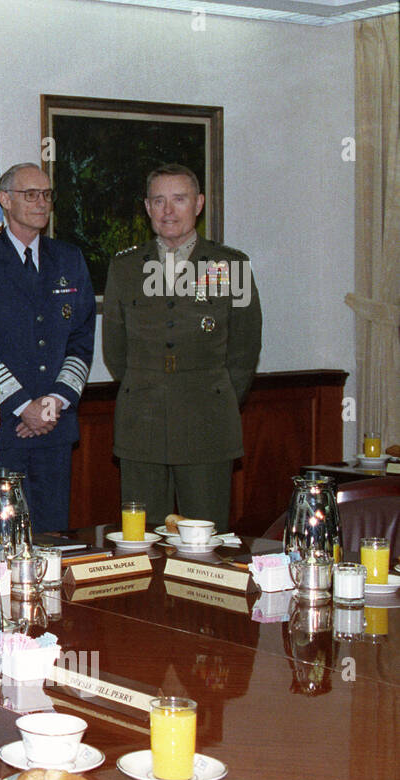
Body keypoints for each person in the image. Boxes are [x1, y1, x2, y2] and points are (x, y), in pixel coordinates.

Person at [102, 163, 262, 527]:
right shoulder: (126, 267)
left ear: (199, 204)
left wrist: (211, 395)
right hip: (141, 424)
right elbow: (115, 349)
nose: (168, 211)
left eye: (179, 199)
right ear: (147, 208)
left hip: (206, 424)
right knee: (140, 542)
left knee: (204, 544)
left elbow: (244, 349)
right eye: (158, 201)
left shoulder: (229, 265)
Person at [0, 163, 95, 533]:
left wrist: (50, 405)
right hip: (3, 431)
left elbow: (81, 340)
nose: (41, 202)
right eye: (30, 194)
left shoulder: (69, 259)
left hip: (55, 428)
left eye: (47, 194)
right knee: (4, 541)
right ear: (4, 200)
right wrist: (24, 407)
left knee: (52, 540)